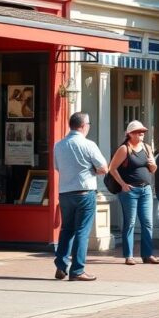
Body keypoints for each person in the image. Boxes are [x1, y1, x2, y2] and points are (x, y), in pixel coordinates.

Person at [53, 112, 107, 281]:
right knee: (82, 231)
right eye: (88, 124)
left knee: (66, 230)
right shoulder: (88, 144)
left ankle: (61, 265)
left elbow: (57, 167)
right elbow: (103, 168)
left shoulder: (59, 145)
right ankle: (77, 270)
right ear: (84, 125)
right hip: (84, 192)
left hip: (65, 192)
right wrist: (91, 170)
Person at [108, 120, 159, 265]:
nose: (141, 134)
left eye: (143, 132)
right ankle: (129, 255)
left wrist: (153, 164)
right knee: (130, 222)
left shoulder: (147, 147)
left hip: (146, 189)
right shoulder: (124, 149)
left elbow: (153, 170)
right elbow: (112, 168)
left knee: (147, 223)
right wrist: (123, 184)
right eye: (138, 132)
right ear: (130, 134)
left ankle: (147, 254)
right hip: (130, 191)